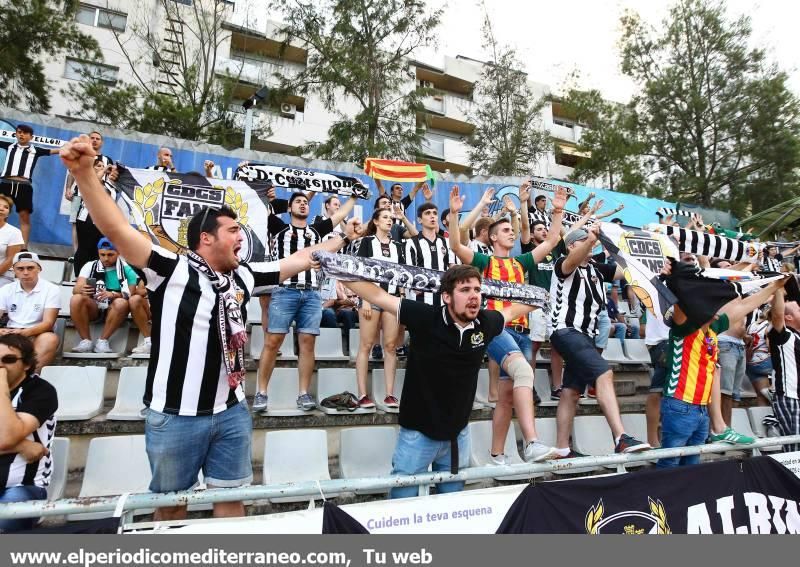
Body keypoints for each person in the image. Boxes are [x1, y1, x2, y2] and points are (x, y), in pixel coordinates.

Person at [59, 133, 362, 521]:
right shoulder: (170, 269)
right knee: (170, 506)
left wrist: (341, 238)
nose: (243, 236)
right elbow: (118, 230)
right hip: (176, 414)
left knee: (232, 502)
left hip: (232, 410)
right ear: (206, 239)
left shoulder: (245, 277)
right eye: (234, 231)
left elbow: (302, 258)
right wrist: (85, 174)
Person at [343, 264, 533, 498]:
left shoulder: (486, 322)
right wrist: (335, 269)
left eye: (477, 289)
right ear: (446, 297)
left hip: (457, 434)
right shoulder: (425, 317)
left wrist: (542, 296)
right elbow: (378, 295)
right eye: (465, 290)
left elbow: (514, 311)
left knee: (451, 505)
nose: (474, 295)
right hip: (418, 433)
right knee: (402, 504)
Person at [450, 184, 565, 463]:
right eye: (505, 230)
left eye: (512, 230)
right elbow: (455, 244)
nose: (511, 232)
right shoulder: (483, 261)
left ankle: (497, 454)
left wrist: (558, 211)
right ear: (491, 237)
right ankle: (532, 443)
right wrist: (454, 215)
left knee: (505, 398)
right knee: (525, 374)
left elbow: (550, 243)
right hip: (497, 329)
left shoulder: (521, 262)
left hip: (523, 332)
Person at [657, 276, 784, 468]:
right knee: (670, 464)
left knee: (691, 465)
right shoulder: (685, 327)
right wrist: (676, 277)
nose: (719, 306)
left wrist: (775, 286)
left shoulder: (713, 329)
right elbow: (680, 302)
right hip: (680, 405)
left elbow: (746, 305)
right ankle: (661, 499)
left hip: (701, 409)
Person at [549, 225, 650, 457]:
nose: (591, 242)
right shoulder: (563, 263)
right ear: (572, 245)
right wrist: (590, 239)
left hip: (583, 335)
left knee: (571, 390)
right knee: (604, 374)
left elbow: (625, 271)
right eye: (585, 240)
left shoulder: (595, 268)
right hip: (566, 330)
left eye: (592, 239)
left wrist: (644, 258)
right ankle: (621, 438)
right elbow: (572, 261)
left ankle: (562, 448)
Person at [253, 192, 357, 413]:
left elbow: (338, 216)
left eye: (305, 202)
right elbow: (259, 204)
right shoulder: (279, 227)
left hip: (311, 294)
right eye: (297, 202)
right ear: (289, 208)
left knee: (308, 344)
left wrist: (354, 198)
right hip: (284, 291)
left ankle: (303, 393)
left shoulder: (316, 230)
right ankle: (261, 392)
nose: (302, 204)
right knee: (273, 342)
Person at [0, 334, 57, 532]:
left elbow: (6, 437)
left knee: (5, 518)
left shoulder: (40, 391)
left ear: (26, 364)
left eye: (8, 359)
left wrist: (0, 388)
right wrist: (23, 445)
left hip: (21, 486)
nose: (0, 365)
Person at [352, 208, 405, 408]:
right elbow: (361, 271)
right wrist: (364, 299)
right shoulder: (366, 242)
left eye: (391, 218)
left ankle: (390, 394)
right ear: (375, 221)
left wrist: (401, 296)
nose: (389, 221)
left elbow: (400, 273)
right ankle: (363, 394)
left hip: (391, 300)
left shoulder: (398, 247)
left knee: (390, 347)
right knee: (366, 345)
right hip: (370, 298)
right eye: (385, 217)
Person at [69, 237, 148, 354]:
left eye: (110, 254)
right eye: (102, 254)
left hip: (116, 309)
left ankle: (102, 341)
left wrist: (112, 294)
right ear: (98, 253)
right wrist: (82, 289)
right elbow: (76, 289)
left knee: (121, 302)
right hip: (94, 306)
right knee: (76, 299)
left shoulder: (127, 268)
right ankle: (86, 341)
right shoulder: (90, 265)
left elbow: (130, 294)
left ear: (118, 253)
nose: (106, 258)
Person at [0, 125, 60, 243]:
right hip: (6, 183)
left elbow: (56, 150)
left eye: (25, 133)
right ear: (16, 134)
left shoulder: (35, 150)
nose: (21, 135)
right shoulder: (9, 146)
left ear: (31, 137)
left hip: (24, 186)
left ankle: (23, 248)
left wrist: (75, 147)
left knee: (24, 216)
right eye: (19, 132)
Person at [0, 253, 60, 371]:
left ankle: (30, 376)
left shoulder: (51, 289)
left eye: (30, 268)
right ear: (14, 271)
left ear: (39, 269)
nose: (26, 272)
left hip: (37, 333)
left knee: (50, 339)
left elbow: (48, 323)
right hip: (11, 332)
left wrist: (24, 333)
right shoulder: (6, 289)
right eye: (20, 268)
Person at [65, 131, 115, 253]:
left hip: (97, 198)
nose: (94, 140)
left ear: (101, 142)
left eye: (97, 138)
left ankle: (95, 252)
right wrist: (68, 189)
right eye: (92, 138)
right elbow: (72, 173)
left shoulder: (107, 159)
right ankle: (76, 252)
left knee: (97, 224)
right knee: (75, 223)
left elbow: (112, 178)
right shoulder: (80, 156)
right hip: (78, 194)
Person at [404, 202, 457, 308]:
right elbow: (409, 269)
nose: (432, 216)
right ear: (419, 220)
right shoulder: (411, 243)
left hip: (443, 297)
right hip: (420, 298)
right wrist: (415, 285)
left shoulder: (446, 242)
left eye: (435, 213)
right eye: (427, 213)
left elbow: (452, 268)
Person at [768, 285, 800, 452]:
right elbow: (777, 315)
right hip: (790, 397)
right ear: (788, 317)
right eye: (799, 310)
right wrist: (778, 288)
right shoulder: (784, 335)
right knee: (795, 449)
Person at [0, 196, 24, 287]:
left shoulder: (14, 232)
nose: (1, 209)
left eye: (6, 207)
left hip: (3, 276)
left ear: (8, 214)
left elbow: (10, 260)